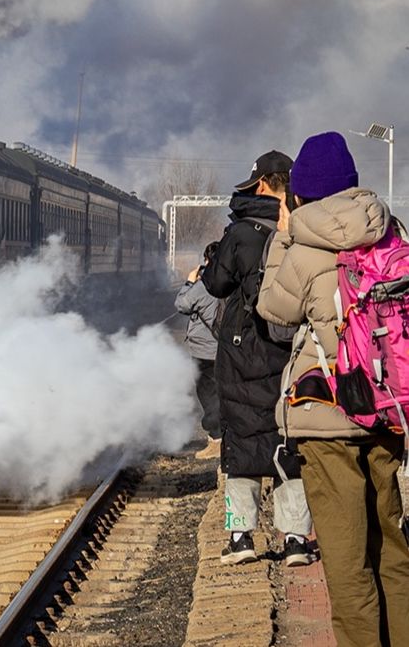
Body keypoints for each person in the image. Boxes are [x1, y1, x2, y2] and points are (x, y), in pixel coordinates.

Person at [259, 132, 409, 647]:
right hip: (389, 409)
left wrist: (282, 239)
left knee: (347, 563)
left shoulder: (304, 247)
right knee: (392, 545)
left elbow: (273, 313)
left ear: (300, 195)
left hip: (328, 416)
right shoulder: (392, 233)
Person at [202, 150, 317, 566]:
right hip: (293, 349)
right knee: (289, 442)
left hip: (242, 347)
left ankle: (240, 537)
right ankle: (296, 541)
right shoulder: (307, 226)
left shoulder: (242, 233)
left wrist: (216, 259)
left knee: (241, 445)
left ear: (265, 183)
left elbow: (216, 285)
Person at [175, 242, 223, 447]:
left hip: (204, 350)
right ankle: (222, 436)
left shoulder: (206, 285)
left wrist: (189, 282)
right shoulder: (233, 281)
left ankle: (216, 439)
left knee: (207, 392)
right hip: (226, 347)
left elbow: (182, 304)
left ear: (207, 261)